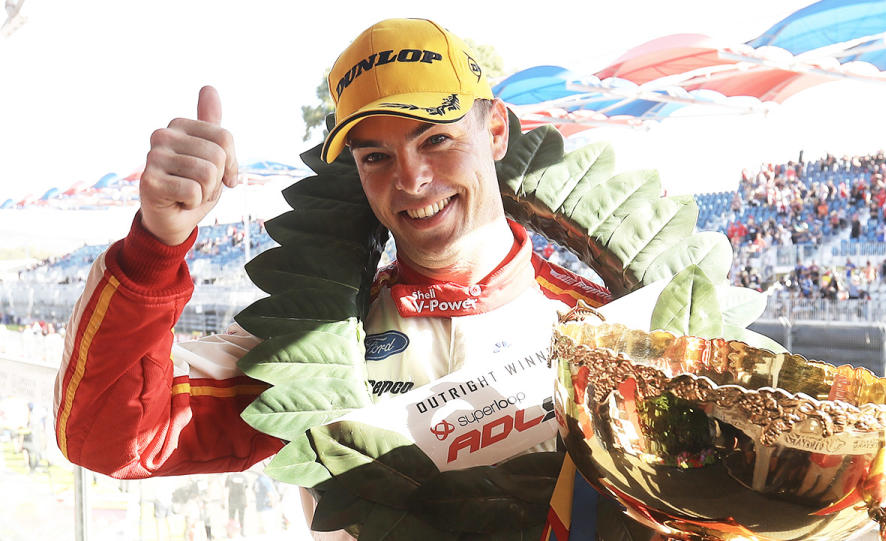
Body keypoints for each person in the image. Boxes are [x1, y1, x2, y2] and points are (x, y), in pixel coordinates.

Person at [53, 17, 610, 538]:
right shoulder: (309, 341)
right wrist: (156, 244)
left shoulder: (609, 328)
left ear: (494, 132)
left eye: (435, 139)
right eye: (376, 157)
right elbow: (109, 436)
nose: (411, 180)